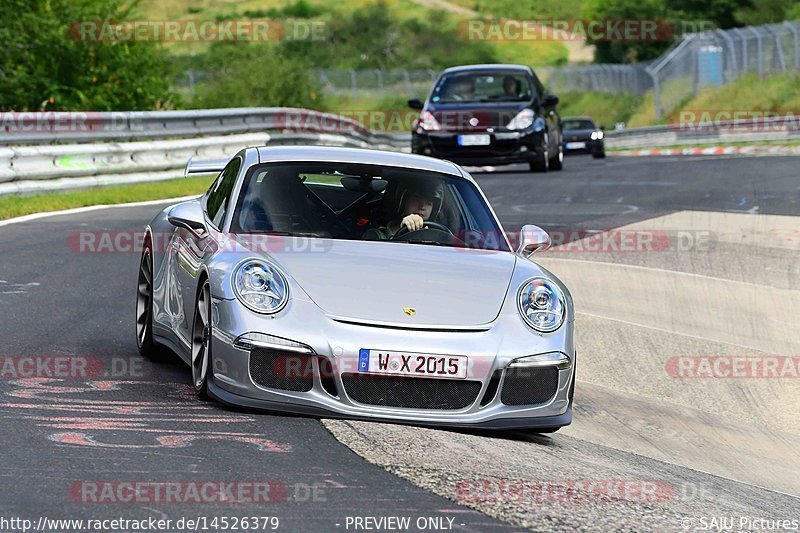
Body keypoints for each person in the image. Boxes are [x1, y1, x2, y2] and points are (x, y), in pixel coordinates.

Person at [362, 180, 443, 240]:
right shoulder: (379, 234)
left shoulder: (439, 235)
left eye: (429, 203)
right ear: (402, 201)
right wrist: (403, 232)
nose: (422, 207)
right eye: (416, 199)